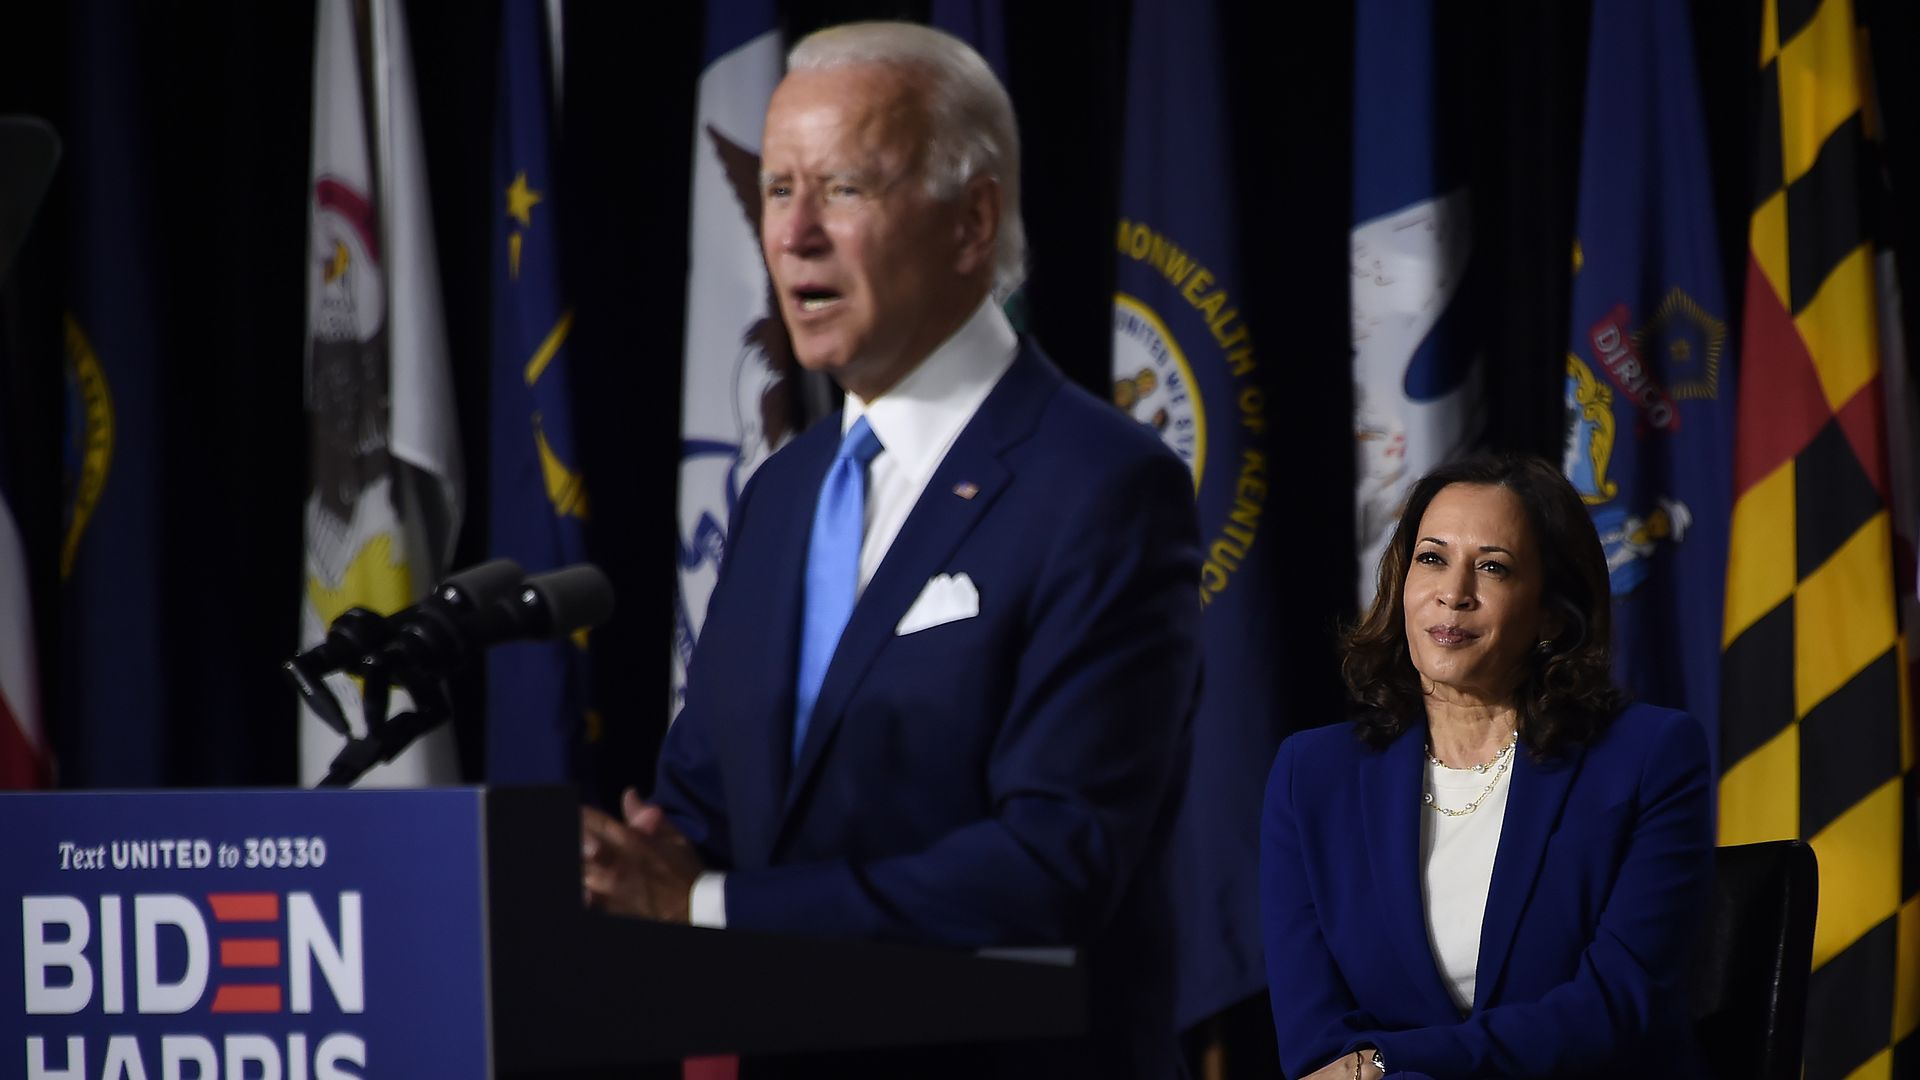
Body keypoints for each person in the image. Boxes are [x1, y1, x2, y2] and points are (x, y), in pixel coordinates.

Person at [581, 21, 1203, 1078]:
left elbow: (1056, 858)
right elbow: (711, 799)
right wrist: (643, 859)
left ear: (972, 222)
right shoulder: (782, 492)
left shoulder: (1102, 486)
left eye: (846, 190)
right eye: (778, 190)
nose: (795, 234)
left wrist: (707, 903)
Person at [1261, 454, 1713, 1079]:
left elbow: (1613, 1010)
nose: (1454, 592)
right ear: (1401, 584)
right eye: (1431, 558)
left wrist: (1392, 1062)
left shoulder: (1648, 758)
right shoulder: (1311, 776)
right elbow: (1315, 1042)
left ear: (1552, 611)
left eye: (1493, 568)